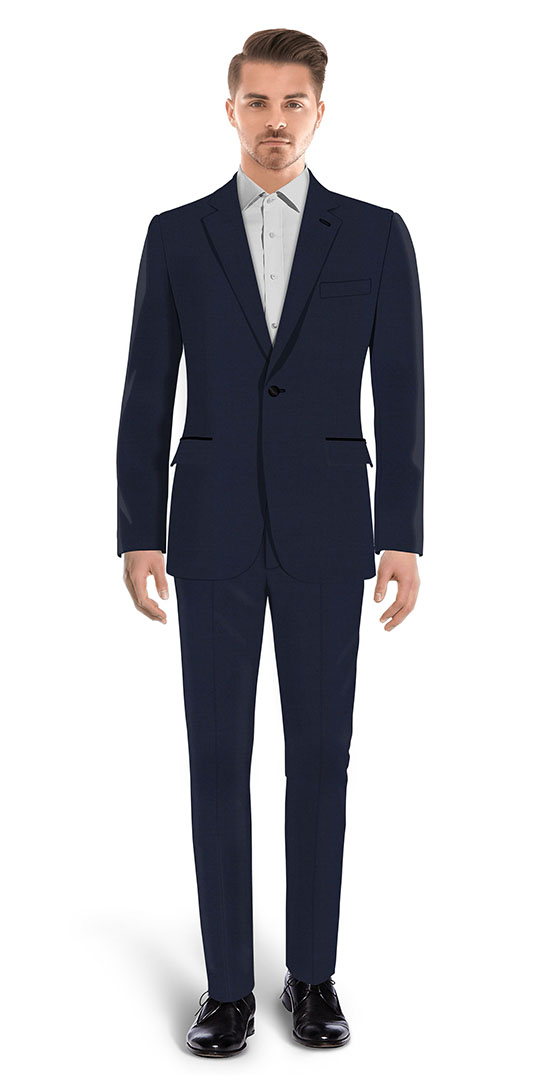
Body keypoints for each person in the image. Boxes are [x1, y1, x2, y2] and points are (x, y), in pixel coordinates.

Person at [116, 27, 424, 1057]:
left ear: (319, 112)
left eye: (295, 102)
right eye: (258, 101)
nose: (276, 121)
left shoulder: (375, 235)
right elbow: (146, 386)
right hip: (207, 528)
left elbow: (403, 390)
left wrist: (401, 533)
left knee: (321, 759)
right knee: (216, 757)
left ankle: (312, 975)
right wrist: (138, 530)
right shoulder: (177, 235)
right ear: (231, 110)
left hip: (331, 530)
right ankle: (225, 989)